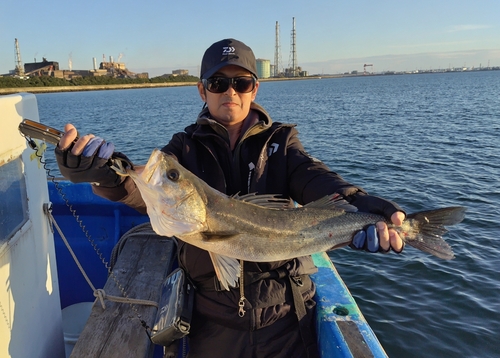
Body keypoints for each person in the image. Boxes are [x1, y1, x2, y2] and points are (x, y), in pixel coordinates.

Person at [55, 38, 405, 358]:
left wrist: (359, 202)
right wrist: (102, 177)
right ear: (202, 91)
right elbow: (142, 192)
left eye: (242, 83)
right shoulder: (182, 149)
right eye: (218, 83)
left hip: (286, 314)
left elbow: (315, 178)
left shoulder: (281, 144)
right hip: (211, 320)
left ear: (255, 89)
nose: (230, 92)